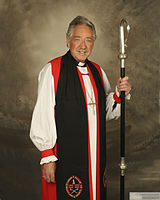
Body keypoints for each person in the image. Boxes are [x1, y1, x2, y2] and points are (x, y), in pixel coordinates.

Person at [30, 16, 131, 200]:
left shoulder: (97, 71)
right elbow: (43, 114)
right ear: (68, 40)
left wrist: (119, 94)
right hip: (63, 158)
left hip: (95, 157)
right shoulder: (52, 70)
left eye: (89, 40)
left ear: (93, 43)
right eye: (78, 39)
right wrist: (47, 157)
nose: (83, 45)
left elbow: (104, 113)